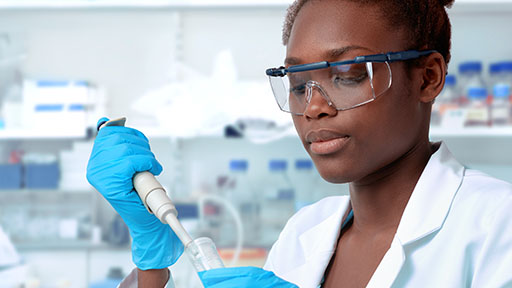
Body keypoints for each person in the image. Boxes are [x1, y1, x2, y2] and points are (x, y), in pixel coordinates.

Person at [87, 0, 512, 287]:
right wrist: (151, 259)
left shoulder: (497, 226)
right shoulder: (305, 231)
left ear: (428, 77)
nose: (313, 108)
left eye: (347, 75)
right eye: (298, 83)